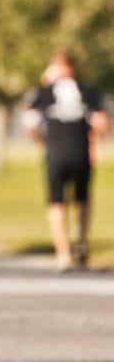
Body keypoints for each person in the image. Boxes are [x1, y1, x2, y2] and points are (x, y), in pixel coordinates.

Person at [22, 50, 108, 271]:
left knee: (69, 202)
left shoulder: (47, 92)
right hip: (70, 153)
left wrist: (41, 141)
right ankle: (70, 248)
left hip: (67, 153)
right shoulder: (83, 91)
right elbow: (101, 123)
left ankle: (72, 249)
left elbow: (29, 121)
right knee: (66, 202)